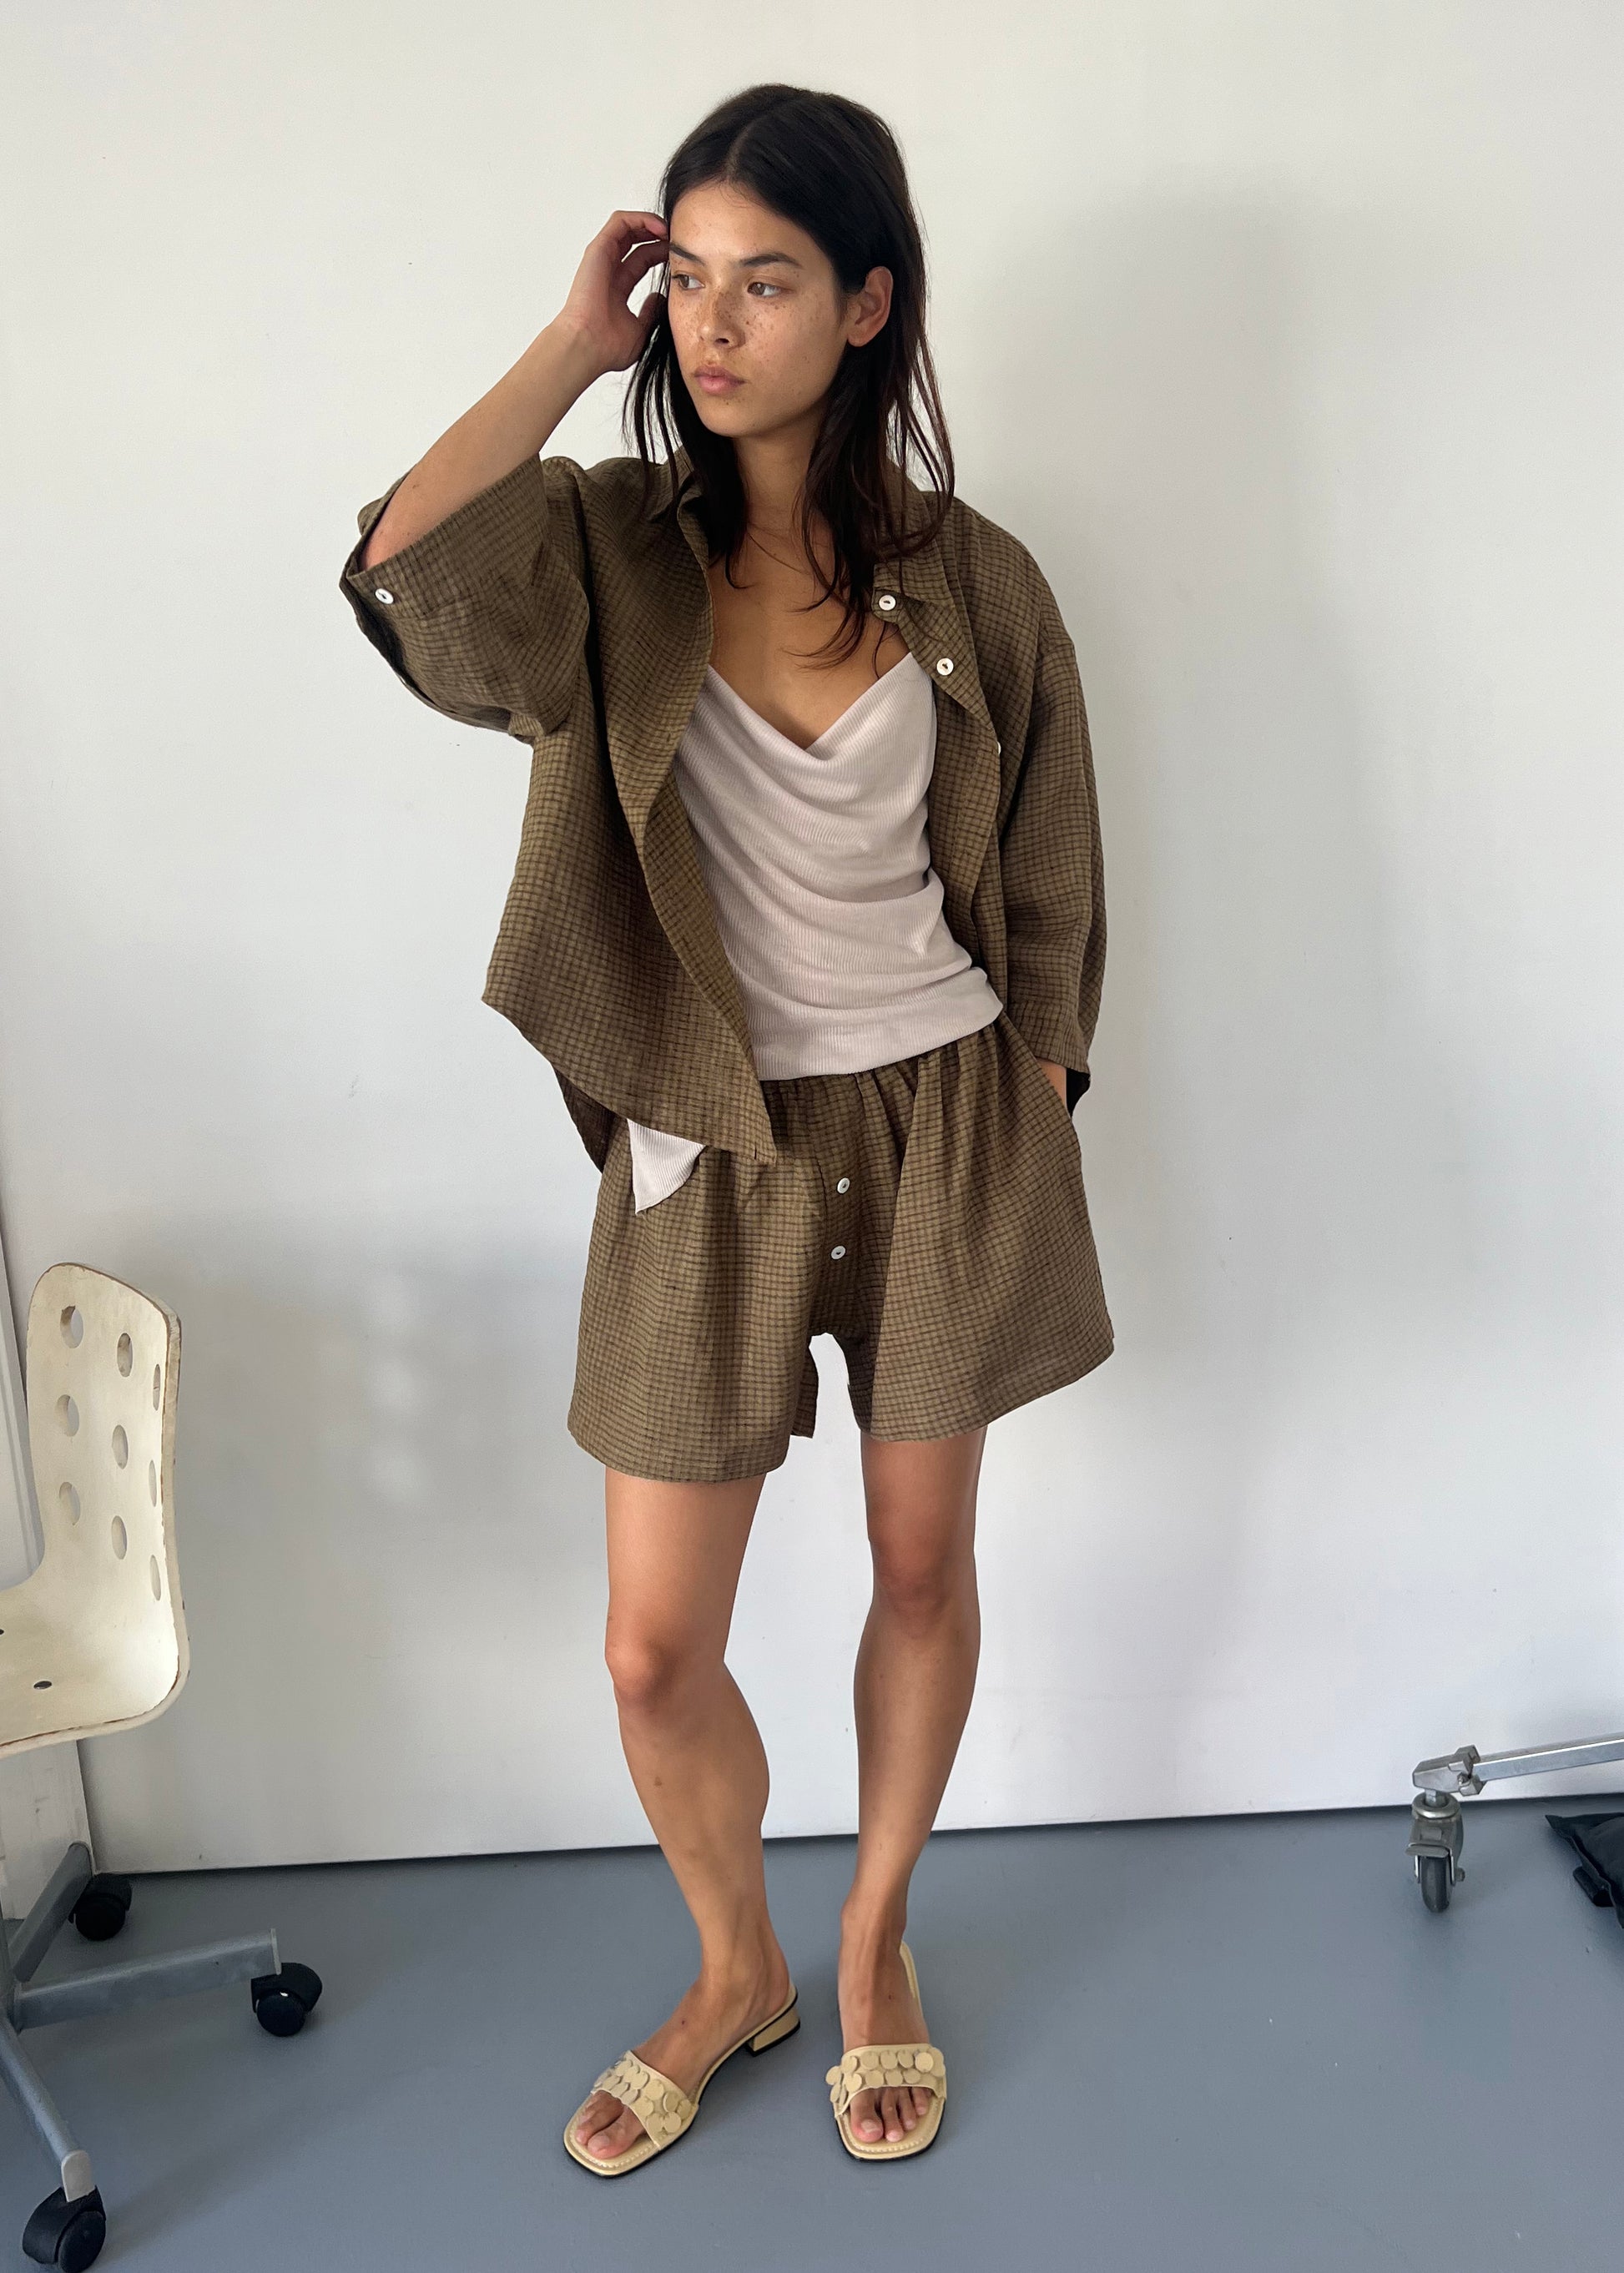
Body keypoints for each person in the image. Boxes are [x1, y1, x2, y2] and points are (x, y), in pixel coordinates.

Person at [340, 81, 1112, 2171]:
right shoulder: (608, 551)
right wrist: (567, 348)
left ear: (867, 305)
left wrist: (1036, 1084)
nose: (715, 323)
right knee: (650, 1640)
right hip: (709, 1141)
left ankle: (867, 1952)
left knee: (919, 1560)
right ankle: (729, 1963)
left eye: (767, 281)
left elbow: (1048, 870)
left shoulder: (982, 579)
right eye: (690, 279)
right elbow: (407, 580)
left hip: (947, 1124)